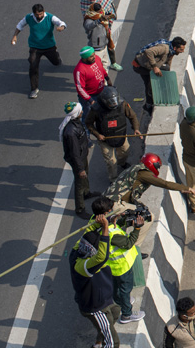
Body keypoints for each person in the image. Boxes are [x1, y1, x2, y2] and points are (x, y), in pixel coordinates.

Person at [89, 197, 146, 324]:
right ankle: (127, 314)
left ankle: (120, 301)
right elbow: (128, 243)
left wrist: (117, 219)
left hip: (110, 267)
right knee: (125, 289)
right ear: (106, 213)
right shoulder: (111, 234)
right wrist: (137, 228)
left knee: (116, 288)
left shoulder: (93, 221)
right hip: (122, 267)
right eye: (112, 210)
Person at [70, 214, 120, 348]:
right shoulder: (84, 266)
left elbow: (88, 231)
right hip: (95, 307)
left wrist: (106, 221)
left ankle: (98, 342)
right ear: (93, 252)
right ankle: (100, 343)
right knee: (113, 342)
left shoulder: (78, 249)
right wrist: (104, 228)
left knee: (115, 313)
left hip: (104, 299)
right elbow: (102, 257)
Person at [86, 87, 141, 182]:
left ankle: (122, 163)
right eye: (111, 103)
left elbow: (132, 116)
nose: (114, 104)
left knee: (125, 152)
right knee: (111, 162)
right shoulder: (96, 109)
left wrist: (136, 129)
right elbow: (88, 123)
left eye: (115, 101)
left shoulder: (122, 104)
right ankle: (113, 179)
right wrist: (97, 134)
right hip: (105, 139)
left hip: (121, 135)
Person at [12, 4, 67, 99]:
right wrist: (15, 36)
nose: (39, 16)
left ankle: (57, 58)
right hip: (35, 47)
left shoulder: (50, 17)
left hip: (49, 46)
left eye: (41, 14)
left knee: (56, 62)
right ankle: (34, 89)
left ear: (44, 11)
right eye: (37, 14)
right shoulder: (28, 18)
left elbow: (62, 23)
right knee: (33, 65)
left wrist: (60, 28)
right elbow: (20, 25)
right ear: (34, 13)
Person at [61, 102, 99, 218]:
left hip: (82, 156)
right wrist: (80, 168)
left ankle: (86, 193)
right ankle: (79, 208)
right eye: (80, 111)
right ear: (76, 113)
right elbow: (74, 152)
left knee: (85, 176)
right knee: (79, 182)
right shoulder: (71, 132)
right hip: (78, 160)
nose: (82, 112)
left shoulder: (76, 123)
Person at [132, 37, 187, 113]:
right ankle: (148, 105)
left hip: (148, 65)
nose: (182, 51)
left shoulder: (172, 51)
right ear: (175, 48)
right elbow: (148, 52)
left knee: (165, 68)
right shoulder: (164, 48)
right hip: (141, 66)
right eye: (181, 49)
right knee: (150, 86)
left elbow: (168, 62)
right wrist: (155, 67)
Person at [80, 0, 121, 71]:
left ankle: (113, 63)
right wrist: (97, 20)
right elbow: (87, 23)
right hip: (95, 32)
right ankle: (94, 69)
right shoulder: (85, 2)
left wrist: (109, 17)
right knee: (98, 54)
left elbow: (110, 9)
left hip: (105, 28)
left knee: (110, 46)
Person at [74, 46, 112, 133]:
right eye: (91, 56)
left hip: (101, 91)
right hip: (89, 97)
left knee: (102, 111)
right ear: (85, 58)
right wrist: (90, 100)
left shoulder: (96, 59)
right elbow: (80, 88)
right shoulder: (80, 70)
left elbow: (101, 68)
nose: (94, 57)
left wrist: (107, 78)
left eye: (94, 55)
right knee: (87, 116)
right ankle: (86, 135)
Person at [83, 4, 113, 73]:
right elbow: (88, 26)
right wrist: (98, 21)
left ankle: (104, 78)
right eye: (99, 11)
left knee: (105, 62)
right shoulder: (88, 18)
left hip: (104, 44)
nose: (101, 12)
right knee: (96, 66)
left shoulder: (101, 15)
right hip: (96, 47)